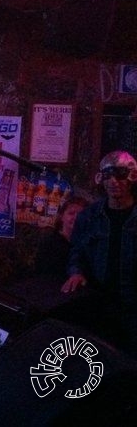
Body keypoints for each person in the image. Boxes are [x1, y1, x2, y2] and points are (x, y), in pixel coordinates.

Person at [61, 150, 137, 356]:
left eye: (119, 175)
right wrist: (76, 272)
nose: (113, 182)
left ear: (131, 177)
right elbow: (77, 250)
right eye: (108, 176)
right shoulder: (89, 216)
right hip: (99, 300)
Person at [33, 196, 88, 279]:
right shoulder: (50, 242)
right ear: (62, 216)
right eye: (71, 213)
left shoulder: (87, 245)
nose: (76, 218)